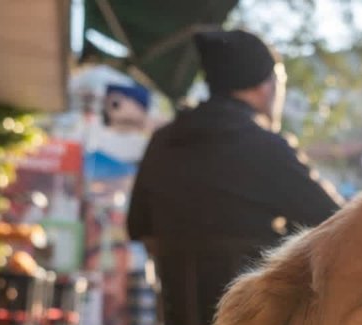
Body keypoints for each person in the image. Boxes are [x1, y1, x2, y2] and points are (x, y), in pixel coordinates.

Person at [127, 27, 342, 246]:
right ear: (264, 86)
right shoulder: (266, 149)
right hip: (254, 270)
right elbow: (338, 227)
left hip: (171, 270)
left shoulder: (162, 141)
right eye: (279, 80)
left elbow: (140, 229)